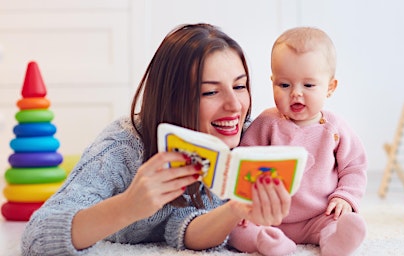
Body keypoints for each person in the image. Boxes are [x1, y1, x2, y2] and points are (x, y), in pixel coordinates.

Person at [21, 23, 292, 255]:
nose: (235, 106)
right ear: (173, 98)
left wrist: (237, 209)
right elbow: (37, 236)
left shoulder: (254, 136)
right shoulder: (124, 148)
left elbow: (186, 227)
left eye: (239, 86)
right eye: (210, 92)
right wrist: (128, 206)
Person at [228, 27, 368, 256]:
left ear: (330, 87)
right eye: (284, 85)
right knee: (236, 229)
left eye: (309, 85)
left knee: (337, 221)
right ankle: (268, 243)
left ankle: (335, 241)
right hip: (267, 216)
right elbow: (243, 164)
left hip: (318, 215)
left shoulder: (334, 128)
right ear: (273, 82)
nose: (296, 93)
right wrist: (243, 204)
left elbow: (354, 166)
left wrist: (345, 197)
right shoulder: (267, 123)